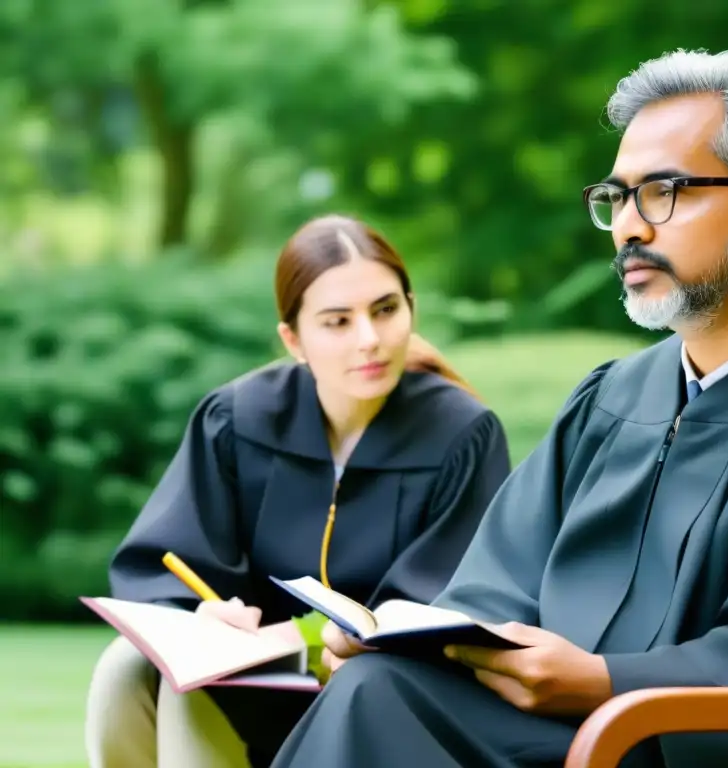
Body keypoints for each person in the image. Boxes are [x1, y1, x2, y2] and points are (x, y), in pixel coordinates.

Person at [270, 49, 728, 768]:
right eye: (618, 198)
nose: (629, 229)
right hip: (561, 737)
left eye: (665, 192)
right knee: (382, 678)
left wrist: (604, 683)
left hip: (674, 750)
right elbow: (498, 584)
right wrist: (412, 636)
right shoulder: (614, 398)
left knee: (380, 700)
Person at [83, 214, 513, 768]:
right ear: (294, 339)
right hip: (252, 689)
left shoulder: (460, 435)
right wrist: (198, 615)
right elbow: (163, 571)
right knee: (128, 668)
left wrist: (298, 637)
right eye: (337, 321)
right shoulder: (236, 420)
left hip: (373, 692)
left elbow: (438, 607)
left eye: (386, 310)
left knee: (189, 688)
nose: (370, 340)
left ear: (411, 308)